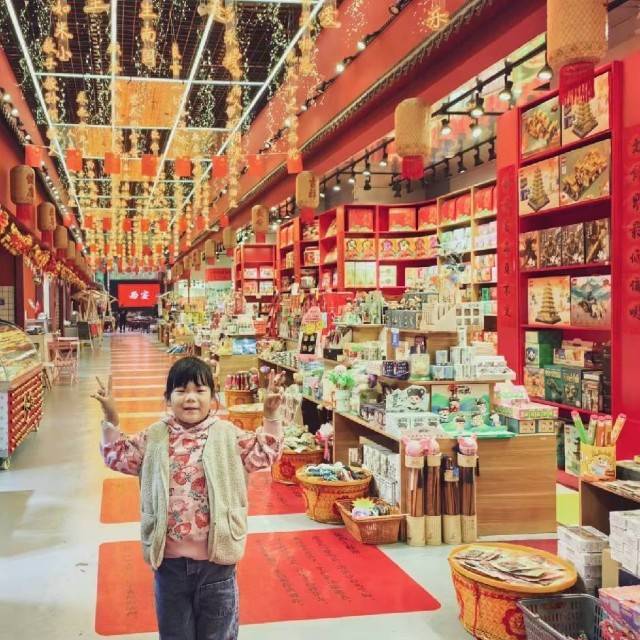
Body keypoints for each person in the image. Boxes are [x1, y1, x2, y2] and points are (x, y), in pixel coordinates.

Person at [92, 357, 285, 640]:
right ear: (168, 398)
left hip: (218, 563)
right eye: (181, 390)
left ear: (213, 397)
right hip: (169, 564)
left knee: (218, 634)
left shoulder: (228, 436)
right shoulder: (154, 437)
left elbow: (265, 454)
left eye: (200, 390)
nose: (190, 398)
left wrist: (271, 416)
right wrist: (111, 419)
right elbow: (117, 456)